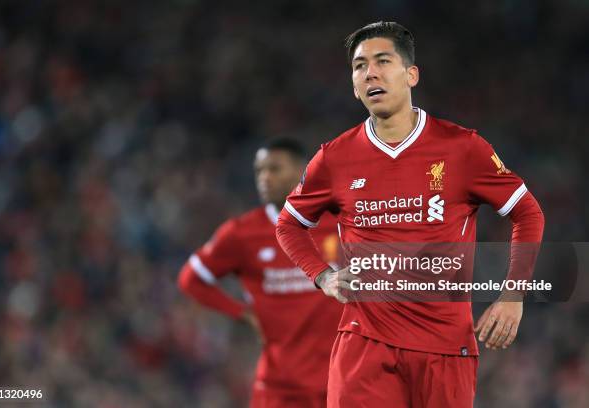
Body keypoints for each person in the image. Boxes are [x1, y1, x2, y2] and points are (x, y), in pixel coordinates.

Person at [276, 22, 544, 407]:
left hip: (445, 350)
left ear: (411, 74)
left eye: (383, 61)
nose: (370, 73)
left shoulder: (461, 148)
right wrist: (322, 277)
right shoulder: (334, 158)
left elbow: (528, 213)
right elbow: (288, 224)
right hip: (364, 343)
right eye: (359, 66)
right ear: (354, 84)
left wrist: (513, 294)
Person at [178, 138, 343, 408]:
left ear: (302, 171)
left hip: (341, 378)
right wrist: (242, 313)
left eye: (274, 169)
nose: (264, 178)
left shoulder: (339, 222)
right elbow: (191, 279)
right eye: (259, 171)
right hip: (281, 387)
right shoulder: (242, 233)